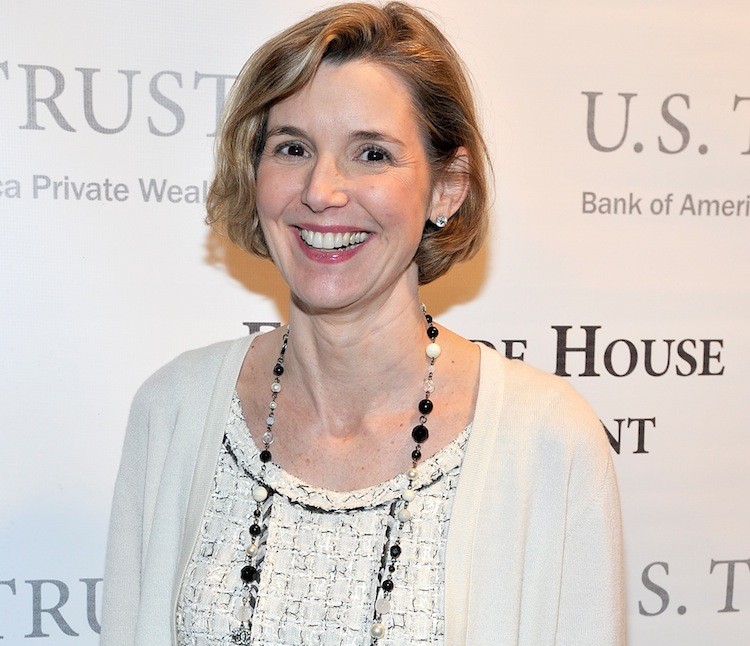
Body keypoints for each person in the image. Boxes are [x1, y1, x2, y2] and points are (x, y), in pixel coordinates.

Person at [100, 2, 625, 645]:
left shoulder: (546, 440)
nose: (321, 190)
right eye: (292, 148)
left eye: (371, 154)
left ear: (447, 187)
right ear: (254, 170)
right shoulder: (174, 411)